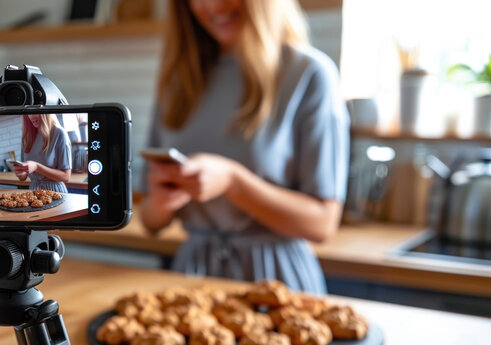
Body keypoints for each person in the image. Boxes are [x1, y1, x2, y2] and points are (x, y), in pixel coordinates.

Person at [140, 0, 350, 294]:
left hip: (278, 283)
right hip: (192, 282)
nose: (211, 6)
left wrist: (233, 182)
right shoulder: (179, 81)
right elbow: (149, 220)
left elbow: (322, 223)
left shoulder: (309, 74)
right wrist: (163, 202)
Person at [14, 113, 72, 192]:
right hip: (33, 193)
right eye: (29, 113)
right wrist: (21, 173)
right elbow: (23, 177)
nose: (31, 116)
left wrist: (37, 167)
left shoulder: (59, 133)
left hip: (55, 193)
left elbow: (66, 177)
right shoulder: (27, 136)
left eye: (35, 112)